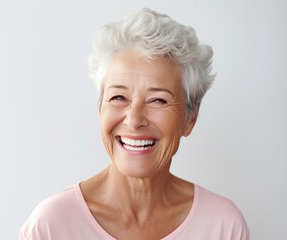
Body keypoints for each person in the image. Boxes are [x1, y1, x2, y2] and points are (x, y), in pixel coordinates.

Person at [20, 8, 249, 240]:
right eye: (119, 97)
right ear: (101, 108)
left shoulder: (223, 226)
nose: (134, 119)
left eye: (158, 100)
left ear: (190, 117)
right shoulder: (50, 226)